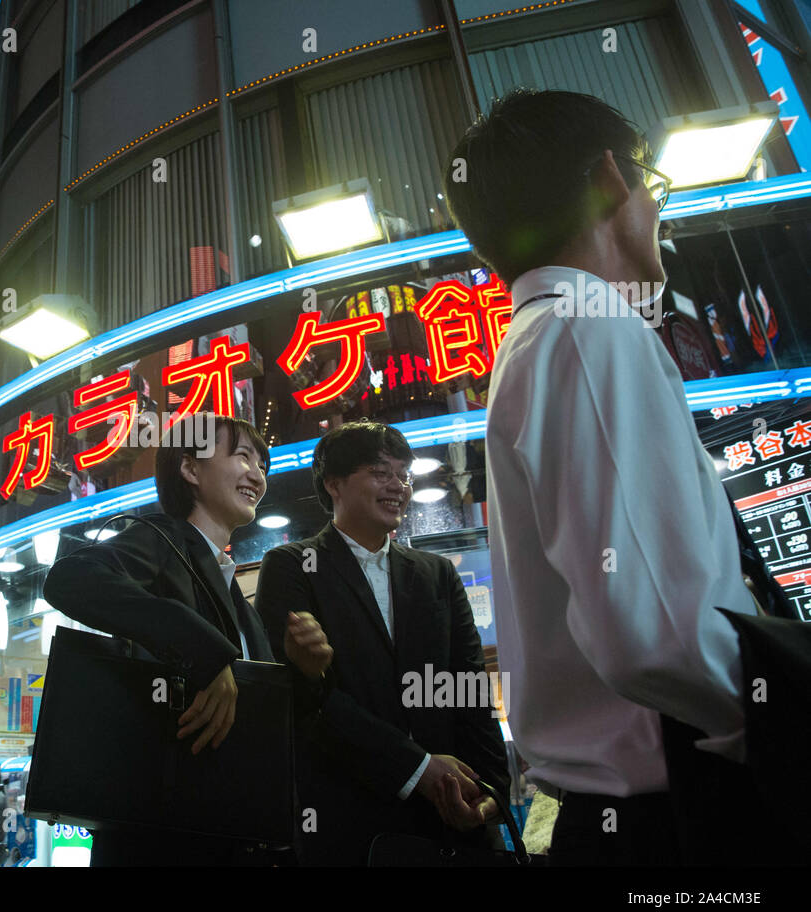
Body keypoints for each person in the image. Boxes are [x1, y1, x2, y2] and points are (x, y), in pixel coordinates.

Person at [443, 89, 767, 865]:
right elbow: (655, 631)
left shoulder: (544, 337)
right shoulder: (589, 330)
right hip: (680, 814)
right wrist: (773, 713)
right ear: (613, 179)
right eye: (654, 183)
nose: (660, 208)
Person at [256, 420, 509, 865]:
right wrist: (419, 769)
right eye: (380, 472)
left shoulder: (436, 574)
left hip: (456, 826)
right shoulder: (291, 567)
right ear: (334, 483)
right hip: (354, 826)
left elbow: (470, 687)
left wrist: (491, 791)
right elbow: (311, 703)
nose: (398, 486)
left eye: (403, 473)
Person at [42, 412, 281, 865]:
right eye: (243, 456)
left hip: (228, 830)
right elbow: (71, 578)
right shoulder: (162, 540)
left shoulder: (240, 602)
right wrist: (203, 650)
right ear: (190, 469)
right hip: (158, 833)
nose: (258, 474)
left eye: (263, 466)